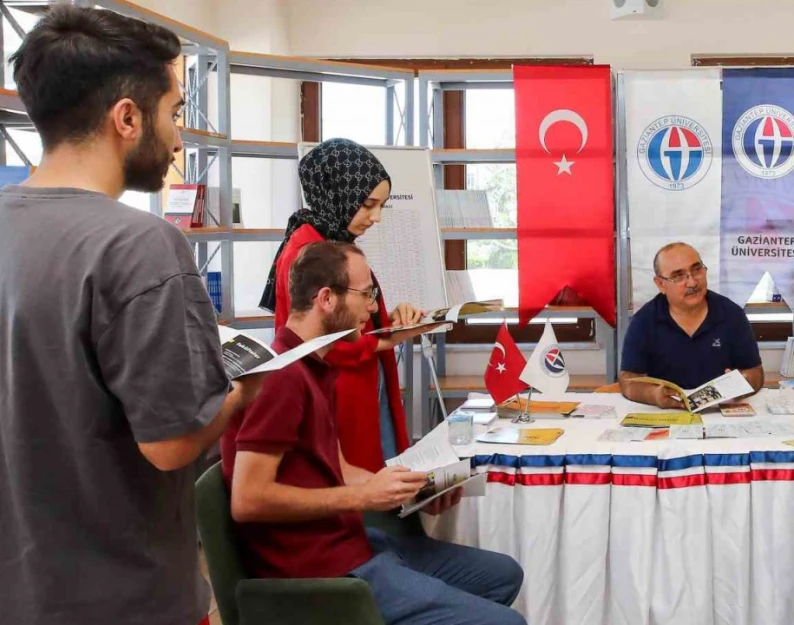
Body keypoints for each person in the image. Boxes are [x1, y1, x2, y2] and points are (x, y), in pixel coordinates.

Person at [0, 7, 264, 625]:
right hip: (124, 599)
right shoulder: (139, 245)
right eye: (173, 114)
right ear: (126, 117)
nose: (177, 140)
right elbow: (172, 442)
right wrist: (247, 386)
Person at [224, 242, 526, 625]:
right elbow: (248, 500)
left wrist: (412, 490)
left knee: (503, 575)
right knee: (506, 622)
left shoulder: (314, 365)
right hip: (326, 573)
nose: (373, 306)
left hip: (356, 545)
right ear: (326, 299)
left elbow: (339, 468)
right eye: (367, 294)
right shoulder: (283, 377)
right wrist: (361, 496)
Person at [259, 138, 430, 472]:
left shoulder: (330, 240)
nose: (376, 217)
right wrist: (387, 338)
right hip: (338, 396)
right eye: (367, 204)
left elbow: (347, 316)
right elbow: (317, 338)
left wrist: (389, 319)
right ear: (337, 191)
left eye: (380, 205)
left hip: (355, 388)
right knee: (357, 492)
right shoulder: (307, 250)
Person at [619, 242, 764, 408]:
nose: (692, 283)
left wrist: (743, 383)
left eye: (696, 270)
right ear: (660, 284)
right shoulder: (644, 321)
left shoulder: (731, 314)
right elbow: (628, 380)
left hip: (720, 412)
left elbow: (756, 373)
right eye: (679, 276)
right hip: (664, 415)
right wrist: (653, 394)